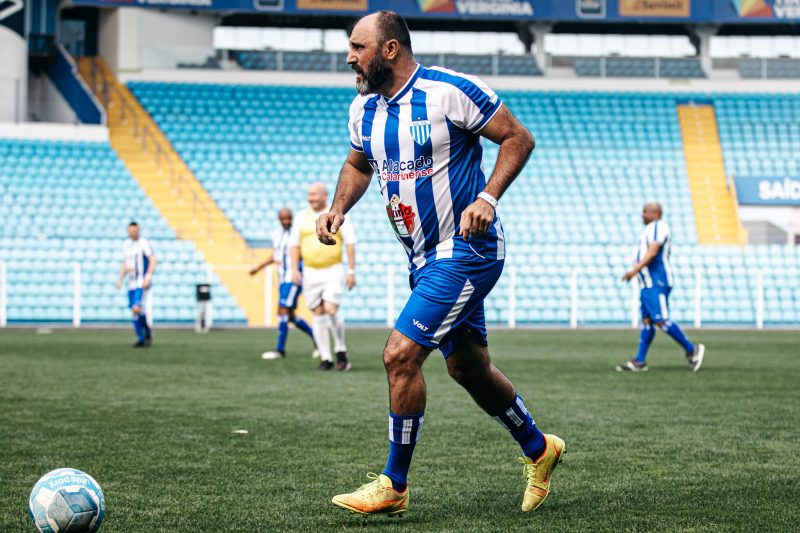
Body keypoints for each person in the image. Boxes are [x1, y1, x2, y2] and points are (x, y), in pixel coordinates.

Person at [316, 11, 564, 516]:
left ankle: (394, 483)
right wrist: (339, 206)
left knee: (399, 355)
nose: (349, 57)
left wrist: (488, 198)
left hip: (468, 248)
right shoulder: (363, 109)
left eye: (358, 47)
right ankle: (541, 449)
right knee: (468, 369)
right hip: (424, 259)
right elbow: (357, 164)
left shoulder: (450, 91)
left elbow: (518, 138)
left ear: (389, 49)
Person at [618, 202, 705, 372]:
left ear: (655, 213)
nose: (642, 215)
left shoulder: (658, 226)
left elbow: (653, 251)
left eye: (645, 212)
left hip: (656, 282)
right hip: (647, 284)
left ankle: (691, 349)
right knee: (647, 321)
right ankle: (640, 361)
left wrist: (634, 270)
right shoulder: (650, 228)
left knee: (661, 319)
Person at [291, 182, 357, 372]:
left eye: (314, 194)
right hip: (310, 271)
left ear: (324, 195)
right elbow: (294, 245)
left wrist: (351, 271)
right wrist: (295, 269)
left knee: (331, 308)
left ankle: (340, 350)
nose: (311, 198)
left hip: (333, 270)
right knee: (318, 312)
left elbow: (350, 243)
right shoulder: (301, 217)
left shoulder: (336, 216)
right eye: (309, 194)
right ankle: (326, 357)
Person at [249, 208, 317, 360]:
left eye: (288, 218)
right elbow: (275, 255)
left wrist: (298, 271)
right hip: (282, 279)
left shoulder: (297, 234)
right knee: (290, 316)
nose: (286, 221)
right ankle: (318, 339)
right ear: (279, 219)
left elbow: (304, 254)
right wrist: (258, 267)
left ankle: (280, 349)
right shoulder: (277, 234)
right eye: (283, 219)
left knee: (282, 311)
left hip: (292, 278)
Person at [116, 222, 156, 348]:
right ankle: (144, 336)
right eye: (131, 231)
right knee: (136, 312)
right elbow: (125, 264)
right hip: (131, 283)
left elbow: (153, 260)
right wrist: (120, 279)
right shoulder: (126, 244)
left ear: (138, 231)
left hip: (141, 282)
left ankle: (143, 337)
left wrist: (148, 277)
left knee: (136, 308)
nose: (133, 233)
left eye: (135, 231)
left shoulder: (143, 243)